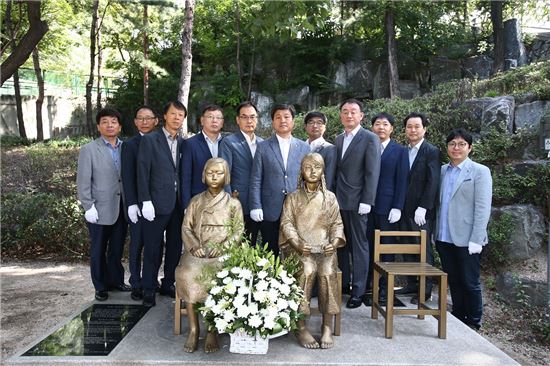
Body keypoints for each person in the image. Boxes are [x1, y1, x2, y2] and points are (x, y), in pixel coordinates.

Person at [175, 158, 243, 353]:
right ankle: (195, 329)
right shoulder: (196, 201)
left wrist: (223, 247)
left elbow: (238, 231)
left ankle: (212, 329)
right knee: (187, 273)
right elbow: (186, 227)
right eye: (210, 172)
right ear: (204, 175)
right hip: (197, 251)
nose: (214, 176)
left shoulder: (233, 203)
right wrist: (194, 246)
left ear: (226, 176)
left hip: (223, 252)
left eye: (219, 173)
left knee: (219, 276)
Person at [279, 153, 345, 349]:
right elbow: (286, 223)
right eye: (308, 167)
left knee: (327, 273)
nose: (312, 170)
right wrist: (297, 243)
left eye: (317, 166)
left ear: (323, 170)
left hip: (324, 249)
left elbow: (337, 223)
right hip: (299, 249)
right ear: (301, 170)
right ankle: (300, 325)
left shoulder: (330, 198)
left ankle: (327, 326)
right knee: (306, 271)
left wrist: (334, 242)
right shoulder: (293, 197)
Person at [435, 128, 492, 330]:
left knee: (470, 281)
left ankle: (474, 321)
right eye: (452, 144)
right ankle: (459, 315)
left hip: (468, 238)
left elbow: (483, 207)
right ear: (447, 147)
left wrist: (477, 237)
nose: (456, 148)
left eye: (461, 144)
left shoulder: (479, 171)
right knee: (454, 279)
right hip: (443, 235)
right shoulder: (441, 170)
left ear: (470, 148)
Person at [77, 108, 129, 301]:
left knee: (116, 249)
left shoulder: (126, 148)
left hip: (122, 208)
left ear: (120, 126)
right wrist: (88, 205)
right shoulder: (89, 150)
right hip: (98, 209)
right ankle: (100, 286)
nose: (110, 125)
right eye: (105, 122)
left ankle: (116, 280)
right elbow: (83, 181)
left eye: (114, 121)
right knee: (98, 249)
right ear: (99, 126)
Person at [137, 100, 186, 307]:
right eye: (173, 114)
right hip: (155, 203)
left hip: (178, 203)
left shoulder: (184, 142)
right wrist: (145, 200)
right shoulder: (150, 140)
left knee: (175, 246)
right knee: (152, 247)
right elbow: (142, 172)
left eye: (181, 115)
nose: (177, 118)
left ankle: (168, 283)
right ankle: (149, 287)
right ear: (164, 116)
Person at [334, 98, 381, 309]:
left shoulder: (370, 138)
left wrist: (367, 200)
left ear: (361, 115)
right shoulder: (337, 139)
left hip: (358, 202)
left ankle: (359, 290)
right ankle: (343, 284)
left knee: (360, 246)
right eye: (345, 111)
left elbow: (372, 172)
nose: (349, 115)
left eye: (353, 112)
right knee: (340, 244)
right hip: (337, 201)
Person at [249, 103, 310, 256]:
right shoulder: (263, 146)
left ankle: (294, 280)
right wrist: (256, 206)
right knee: (270, 249)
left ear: (293, 121)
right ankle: (271, 279)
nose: (282, 120)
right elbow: (256, 178)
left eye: (286, 117)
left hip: (296, 206)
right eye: (278, 117)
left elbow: (308, 179)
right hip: (270, 207)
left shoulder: (304, 147)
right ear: (273, 122)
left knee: (295, 249)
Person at [396, 112, 440, 304]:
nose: (413, 130)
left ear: (424, 129)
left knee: (422, 248)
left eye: (417, 126)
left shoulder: (431, 151)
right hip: (403, 209)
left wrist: (424, 206)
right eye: (409, 126)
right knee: (407, 246)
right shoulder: (403, 151)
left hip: (420, 212)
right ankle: (412, 283)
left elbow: (433, 181)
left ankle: (425, 289)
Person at [364, 112, 408, 304]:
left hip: (387, 207)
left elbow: (402, 180)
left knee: (386, 248)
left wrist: (397, 206)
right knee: (366, 246)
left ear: (392, 128)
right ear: (372, 127)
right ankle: (366, 285)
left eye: (385, 124)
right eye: (377, 124)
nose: (381, 127)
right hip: (366, 206)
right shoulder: (366, 146)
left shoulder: (400, 151)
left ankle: (384, 289)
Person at [121, 105, 159, 301]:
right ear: (135, 122)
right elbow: (127, 176)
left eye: (148, 118)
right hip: (137, 205)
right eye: (140, 118)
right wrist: (132, 203)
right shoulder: (130, 145)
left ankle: (150, 281)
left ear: (156, 121)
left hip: (157, 205)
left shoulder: (160, 142)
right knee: (137, 244)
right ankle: (135, 282)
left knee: (155, 245)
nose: (145, 122)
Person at [219, 101, 264, 246]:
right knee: (238, 244)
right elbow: (224, 174)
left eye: (252, 117)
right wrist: (229, 203)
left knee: (255, 244)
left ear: (257, 119)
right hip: (238, 201)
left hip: (260, 201)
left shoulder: (263, 143)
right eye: (244, 117)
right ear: (238, 120)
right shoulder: (229, 142)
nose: (249, 121)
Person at [181, 104, 224, 210]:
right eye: (210, 117)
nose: (214, 120)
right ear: (202, 120)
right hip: (199, 202)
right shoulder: (190, 144)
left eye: (218, 118)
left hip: (223, 202)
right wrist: (187, 205)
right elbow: (185, 177)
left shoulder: (227, 143)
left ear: (222, 122)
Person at [304, 111, 337, 192]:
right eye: (311, 122)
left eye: (319, 123)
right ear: (305, 126)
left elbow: (329, 177)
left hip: (319, 196)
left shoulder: (330, 149)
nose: (315, 126)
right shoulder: (299, 147)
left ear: (325, 127)